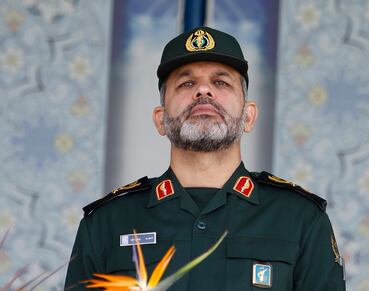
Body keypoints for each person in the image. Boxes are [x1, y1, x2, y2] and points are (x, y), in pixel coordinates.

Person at [65, 26, 346, 291]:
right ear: (160, 120)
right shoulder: (106, 223)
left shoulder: (300, 219)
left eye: (220, 81)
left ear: (248, 116)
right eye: (186, 83)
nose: (203, 90)